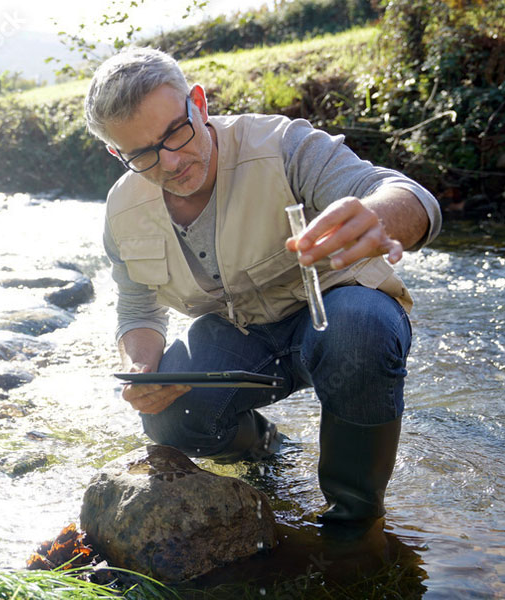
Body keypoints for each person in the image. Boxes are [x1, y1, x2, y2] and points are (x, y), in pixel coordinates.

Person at [84, 46, 441, 528]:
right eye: (143, 154)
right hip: (241, 337)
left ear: (199, 103)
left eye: (175, 132)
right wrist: (140, 365)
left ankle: (353, 520)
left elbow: (411, 197)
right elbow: (137, 310)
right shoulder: (121, 212)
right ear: (116, 153)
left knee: (359, 331)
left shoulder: (281, 144)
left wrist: (377, 216)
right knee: (168, 418)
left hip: (334, 310)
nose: (169, 162)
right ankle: (266, 449)